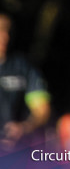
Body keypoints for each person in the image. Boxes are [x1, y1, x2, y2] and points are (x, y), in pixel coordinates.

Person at [0, 12, 50, 151]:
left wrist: (24, 127)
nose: (5, 37)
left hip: (17, 152)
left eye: (7, 30)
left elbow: (42, 110)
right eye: (0, 30)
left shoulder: (23, 67)